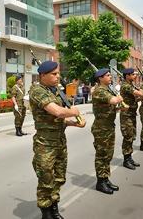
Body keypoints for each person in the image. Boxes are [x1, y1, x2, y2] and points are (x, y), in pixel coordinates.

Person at [29, 60, 86, 219]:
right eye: (54, 74)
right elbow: (57, 112)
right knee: (46, 179)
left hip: (60, 141)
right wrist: (73, 112)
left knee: (59, 177)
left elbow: (59, 118)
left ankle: (54, 207)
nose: (57, 76)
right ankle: (46, 212)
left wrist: (72, 123)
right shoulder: (37, 90)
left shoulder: (55, 91)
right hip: (45, 144)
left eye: (58, 73)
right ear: (42, 75)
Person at [91, 68, 124, 194]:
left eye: (110, 75)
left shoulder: (107, 90)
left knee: (108, 155)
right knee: (102, 155)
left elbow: (108, 108)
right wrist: (119, 97)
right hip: (101, 128)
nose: (110, 77)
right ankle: (100, 182)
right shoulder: (99, 91)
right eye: (108, 75)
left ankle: (105, 178)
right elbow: (114, 100)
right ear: (100, 78)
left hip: (109, 126)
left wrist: (118, 110)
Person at [120, 68, 143, 170]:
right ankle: (126, 160)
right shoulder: (125, 86)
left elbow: (135, 98)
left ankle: (129, 157)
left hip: (132, 114)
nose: (135, 76)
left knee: (132, 136)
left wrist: (138, 98)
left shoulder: (130, 85)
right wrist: (141, 91)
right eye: (133, 74)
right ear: (127, 76)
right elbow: (140, 93)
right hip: (126, 116)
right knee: (128, 137)